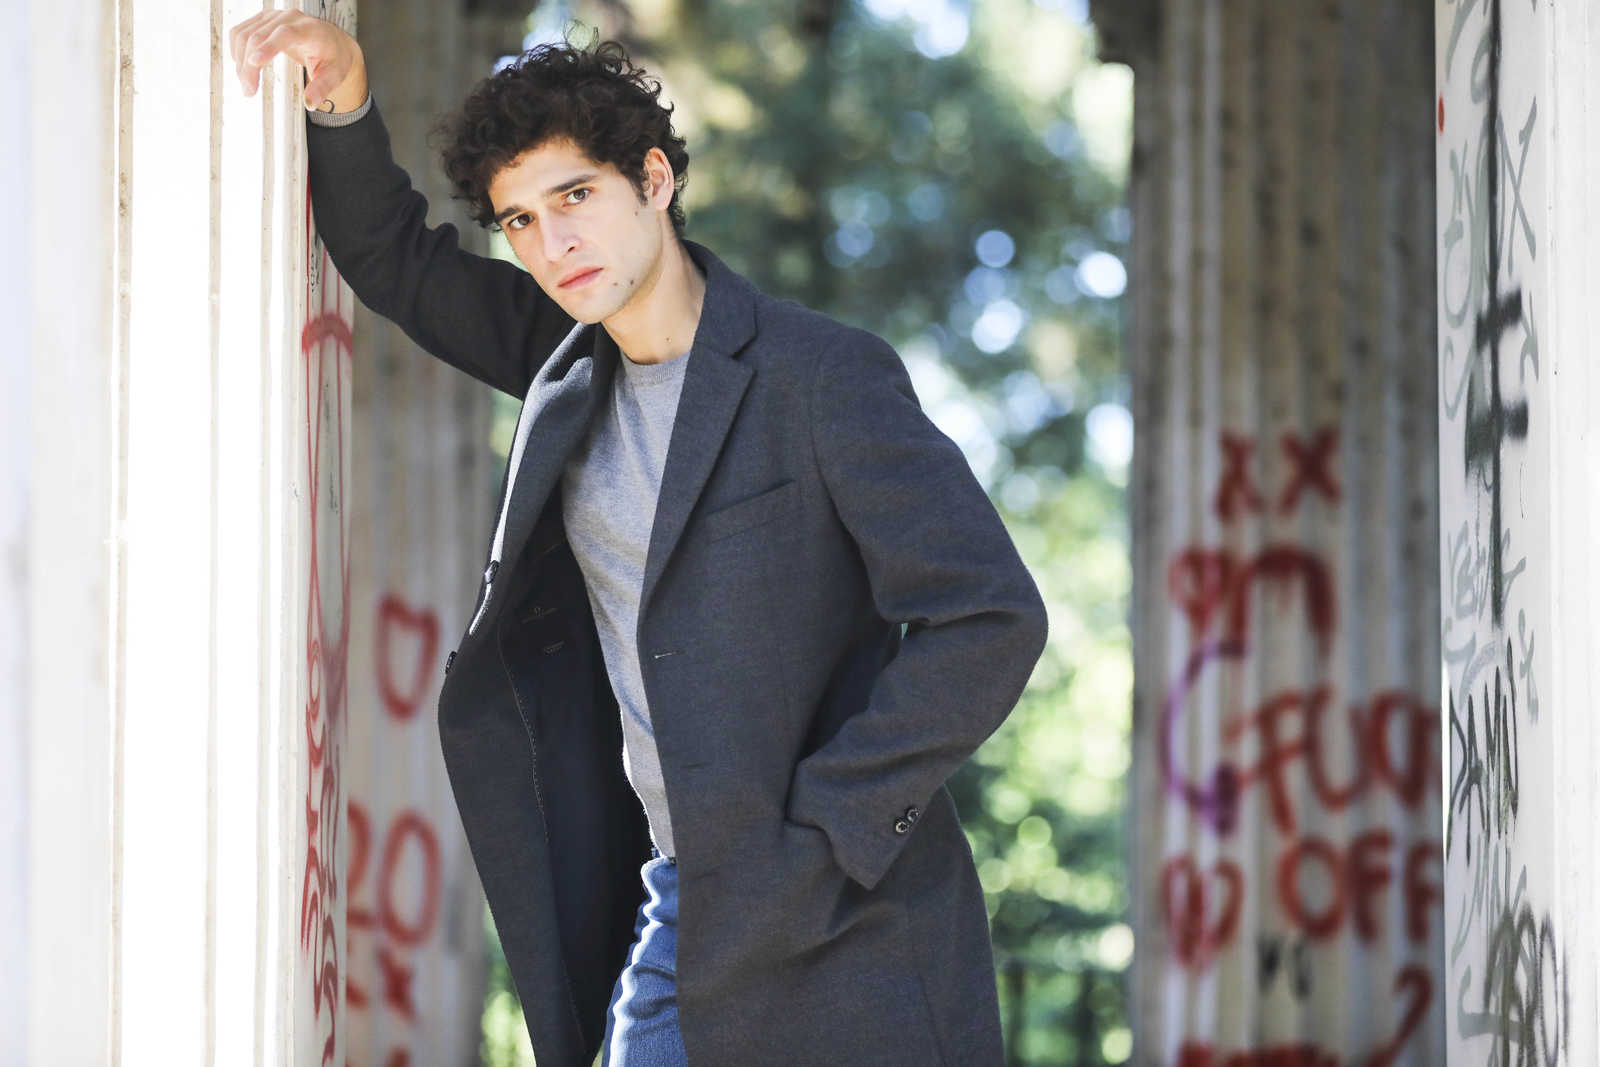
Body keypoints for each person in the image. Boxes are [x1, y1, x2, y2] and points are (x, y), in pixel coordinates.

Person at [230, 12, 1048, 1066]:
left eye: (575, 197)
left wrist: (827, 829)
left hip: (852, 926)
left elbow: (987, 614)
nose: (552, 242)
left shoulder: (818, 377)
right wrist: (340, 96)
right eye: (520, 219)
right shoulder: (561, 361)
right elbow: (398, 262)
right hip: (679, 908)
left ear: (653, 179)